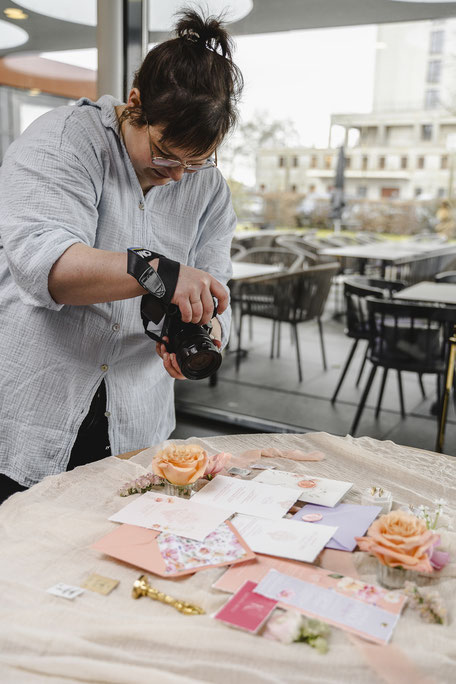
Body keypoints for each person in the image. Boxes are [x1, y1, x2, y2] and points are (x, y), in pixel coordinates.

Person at [0, 10, 243, 502]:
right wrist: (156, 273)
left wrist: (206, 325)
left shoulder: (207, 186)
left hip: (138, 421)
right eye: (164, 154)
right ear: (135, 105)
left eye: (195, 162)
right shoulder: (65, 140)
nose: (178, 176)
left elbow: (217, 286)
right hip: (40, 404)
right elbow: (43, 265)